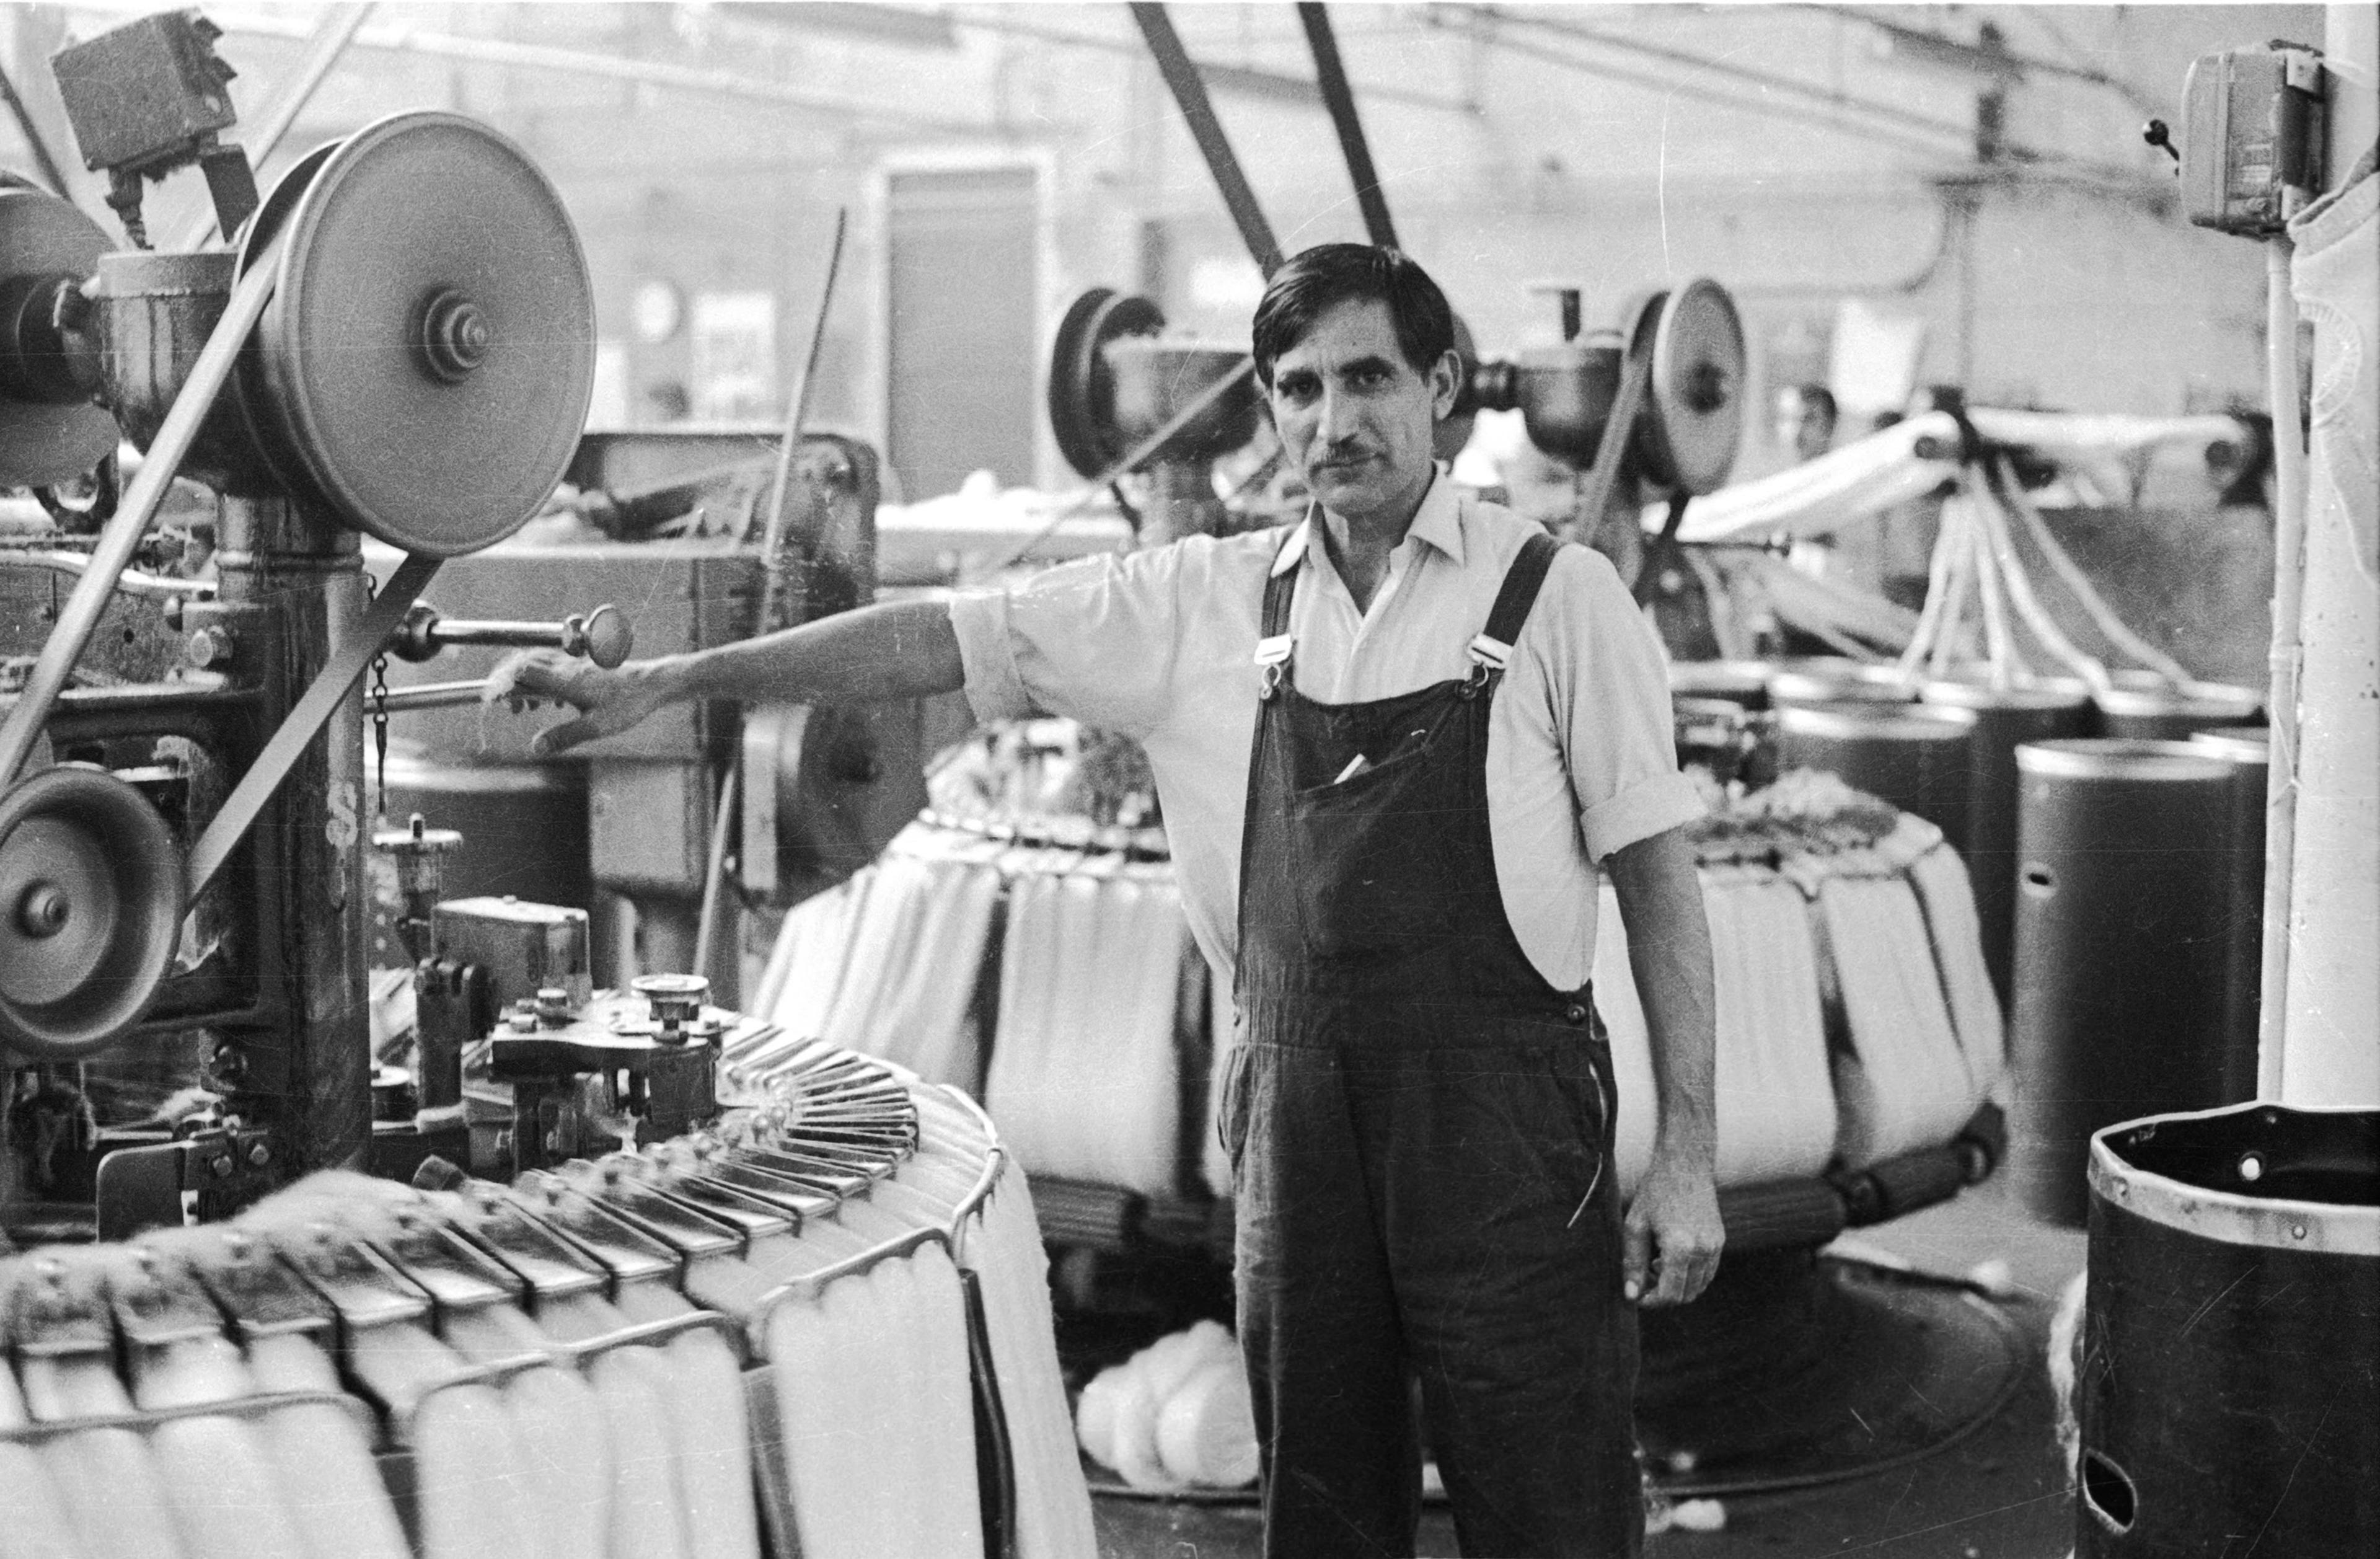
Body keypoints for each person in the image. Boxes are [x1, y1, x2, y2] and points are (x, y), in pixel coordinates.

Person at [495, 244, 1722, 1559]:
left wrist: (1692, 1155)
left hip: (1506, 1143)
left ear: (1439, 387)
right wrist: (670, 682)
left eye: (1367, 377)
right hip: (1299, 1140)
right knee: (1322, 1514)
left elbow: (1659, 885)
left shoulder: (1555, 599)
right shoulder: (1199, 604)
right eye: (1298, 387)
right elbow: (936, 636)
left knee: (1553, 1514)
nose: (1333, 418)